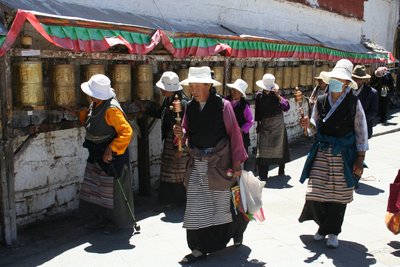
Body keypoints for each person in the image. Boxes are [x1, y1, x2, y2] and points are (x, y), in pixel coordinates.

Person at [173, 66, 248, 264]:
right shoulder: (189, 107)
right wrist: (180, 133)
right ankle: (198, 248)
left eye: (198, 86)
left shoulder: (224, 106)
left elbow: (235, 135)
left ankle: (237, 230)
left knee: (224, 205)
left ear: (208, 85)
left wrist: (238, 164)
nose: (194, 90)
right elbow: (186, 131)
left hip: (221, 164)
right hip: (198, 162)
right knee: (196, 206)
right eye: (192, 86)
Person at [298, 59, 369, 248]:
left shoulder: (354, 103)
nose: (337, 81)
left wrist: (360, 159)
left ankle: (333, 232)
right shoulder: (321, 101)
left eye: (341, 79)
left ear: (347, 83)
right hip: (322, 151)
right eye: (335, 78)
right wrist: (307, 125)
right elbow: (313, 128)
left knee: (339, 196)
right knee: (315, 194)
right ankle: (323, 226)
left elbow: (361, 132)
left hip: (343, 153)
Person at [79, 74, 136, 232]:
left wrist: (111, 148)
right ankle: (99, 218)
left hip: (111, 156)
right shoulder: (96, 104)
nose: (88, 95)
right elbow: (94, 121)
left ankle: (117, 222)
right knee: (96, 188)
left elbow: (127, 132)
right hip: (96, 153)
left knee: (112, 191)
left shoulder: (111, 109)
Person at [143, 71, 189, 210]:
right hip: (170, 140)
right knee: (169, 170)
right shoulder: (169, 100)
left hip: (178, 141)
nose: (161, 90)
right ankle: (169, 200)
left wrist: (179, 148)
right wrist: (145, 109)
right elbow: (160, 113)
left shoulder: (180, 103)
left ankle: (176, 201)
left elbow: (180, 126)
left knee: (176, 171)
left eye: (163, 88)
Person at [255, 73, 290, 179]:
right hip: (265, 125)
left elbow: (286, 107)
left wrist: (278, 95)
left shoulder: (277, 94)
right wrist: (258, 124)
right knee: (263, 151)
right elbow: (258, 111)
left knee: (280, 147)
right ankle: (263, 174)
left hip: (278, 124)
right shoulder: (259, 95)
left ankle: (281, 170)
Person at [226, 78, 254, 170]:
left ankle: (241, 181)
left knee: (240, 161)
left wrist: (241, 130)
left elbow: (250, 121)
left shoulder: (244, 105)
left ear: (241, 94)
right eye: (233, 90)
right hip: (226, 135)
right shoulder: (225, 102)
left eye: (236, 91)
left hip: (240, 137)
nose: (233, 92)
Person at [352, 65, 379, 139]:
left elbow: (373, 111)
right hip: (348, 129)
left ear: (363, 79)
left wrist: (359, 120)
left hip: (364, 128)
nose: (357, 81)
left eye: (359, 79)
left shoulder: (372, 93)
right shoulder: (347, 90)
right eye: (355, 78)